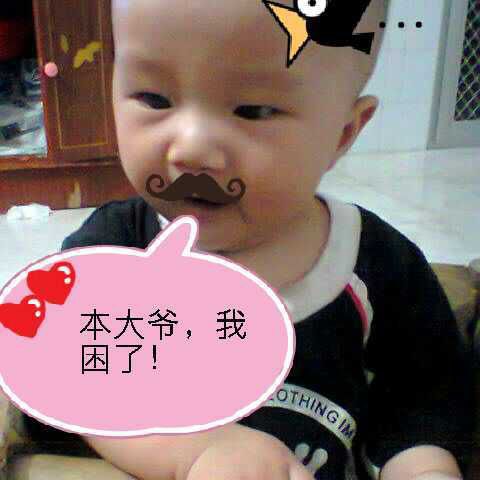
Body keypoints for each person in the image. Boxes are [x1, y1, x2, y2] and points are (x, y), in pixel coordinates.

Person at [20, 0, 475, 479]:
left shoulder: (380, 267)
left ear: (342, 134)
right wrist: (192, 452)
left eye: (253, 111)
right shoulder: (113, 253)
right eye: (155, 99)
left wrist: (423, 468)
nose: (191, 148)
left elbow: (425, 399)